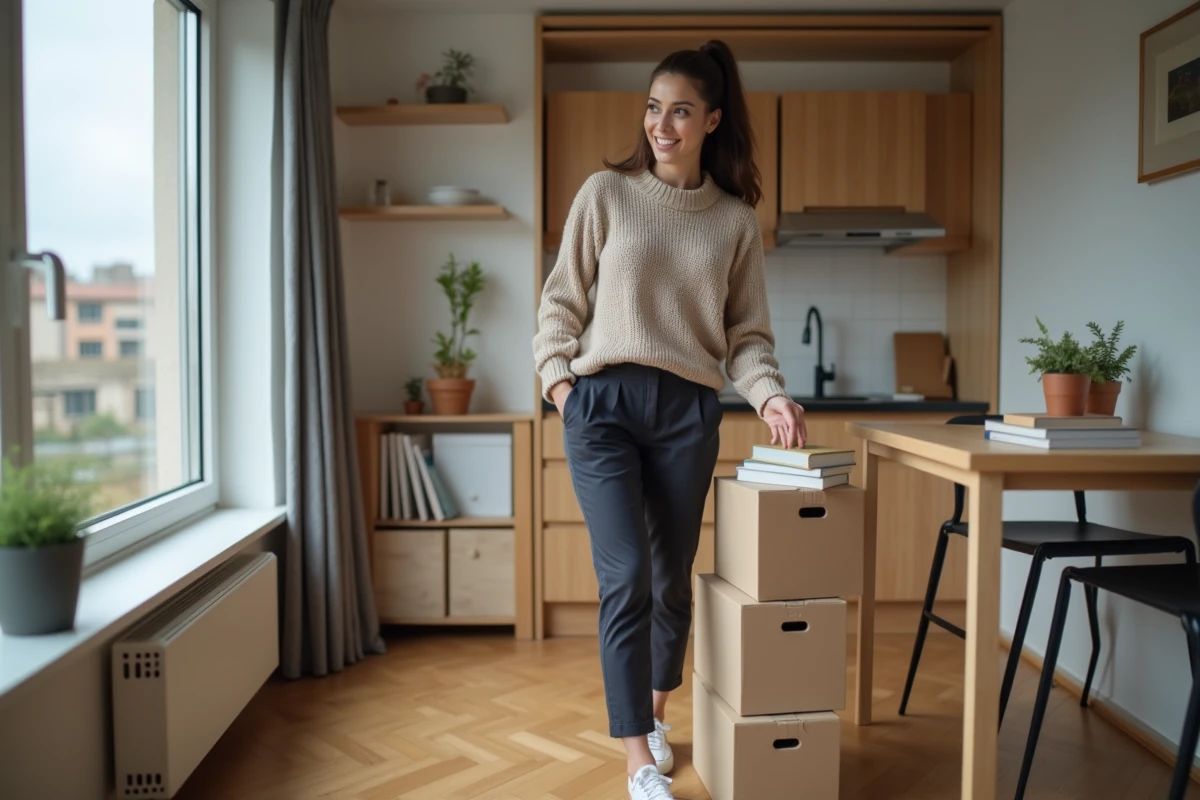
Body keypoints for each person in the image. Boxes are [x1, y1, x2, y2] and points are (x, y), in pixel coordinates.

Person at [531, 39, 806, 800]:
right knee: (625, 578)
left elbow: (747, 336)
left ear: (712, 120)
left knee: (671, 581)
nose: (662, 125)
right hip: (604, 407)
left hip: (688, 411)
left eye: (680, 111)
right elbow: (560, 302)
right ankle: (639, 764)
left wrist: (771, 395)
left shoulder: (734, 225)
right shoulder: (606, 195)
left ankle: (653, 713)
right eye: (654, 108)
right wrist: (562, 387)